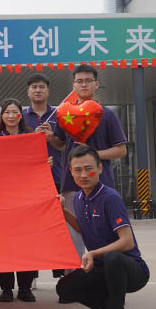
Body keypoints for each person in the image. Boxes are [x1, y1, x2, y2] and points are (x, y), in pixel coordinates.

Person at [50, 64, 128, 272]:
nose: (83, 85)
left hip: (101, 184)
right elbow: (61, 145)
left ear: (96, 84)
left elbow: (121, 150)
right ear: (73, 85)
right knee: (72, 236)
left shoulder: (107, 115)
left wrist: (93, 154)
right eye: (79, 81)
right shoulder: (64, 113)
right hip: (70, 183)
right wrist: (50, 138)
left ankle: (104, 275)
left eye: (88, 81)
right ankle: (74, 277)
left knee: (103, 232)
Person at [56, 146, 149, 309]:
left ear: (99, 168)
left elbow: (127, 242)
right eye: (78, 170)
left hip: (129, 269)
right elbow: (83, 229)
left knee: (113, 258)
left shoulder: (110, 198)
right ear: (71, 172)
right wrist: (63, 211)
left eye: (89, 169)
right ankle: (107, 306)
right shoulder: (78, 198)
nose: (83, 175)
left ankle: (115, 308)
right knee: (64, 288)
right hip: (101, 268)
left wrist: (93, 253)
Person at [0, 99, 38, 303]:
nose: (11, 116)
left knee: (27, 244)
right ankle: (6, 288)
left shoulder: (31, 137)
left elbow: (36, 164)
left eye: (15, 112)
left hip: (27, 198)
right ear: (2, 116)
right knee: (4, 245)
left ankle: (25, 288)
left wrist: (45, 162)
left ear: (21, 115)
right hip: (1, 198)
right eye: (7, 112)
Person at [23, 74, 65, 279]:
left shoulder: (60, 115)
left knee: (56, 226)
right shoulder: (21, 115)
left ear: (48, 91)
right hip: (28, 181)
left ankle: (60, 272)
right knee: (31, 229)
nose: (38, 90)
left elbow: (63, 146)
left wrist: (52, 138)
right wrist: (33, 138)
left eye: (41, 87)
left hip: (55, 177)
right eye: (34, 87)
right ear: (28, 91)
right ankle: (31, 275)